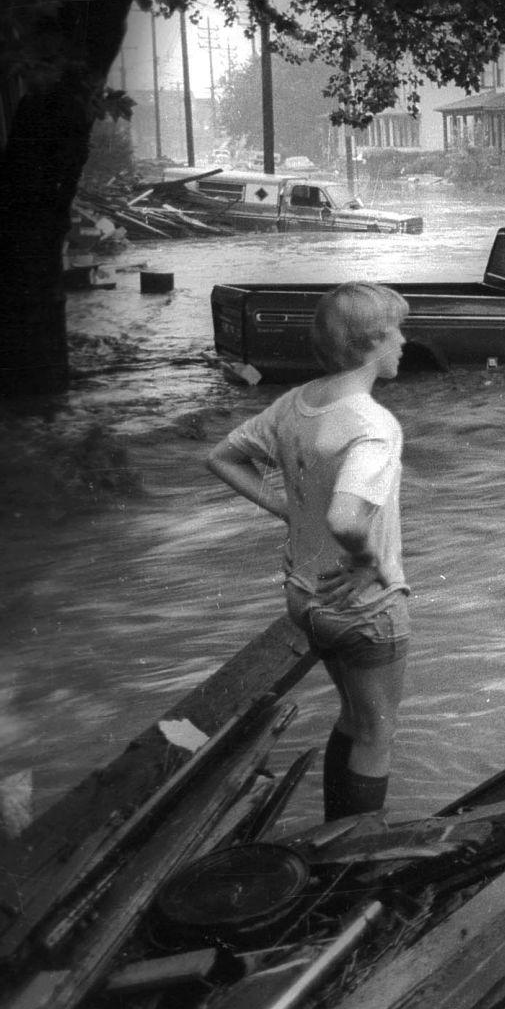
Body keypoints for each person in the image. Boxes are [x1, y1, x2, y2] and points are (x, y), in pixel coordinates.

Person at [207, 282, 412, 821]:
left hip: (305, 599)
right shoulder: (373, 425)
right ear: (371, 341)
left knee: (352, 719)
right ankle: (351, 852)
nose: (404, 342)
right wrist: (366, 560)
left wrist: (287, 510)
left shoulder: (295, 405)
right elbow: (345, 518)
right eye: (397, 331)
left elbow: (222, 458)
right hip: (364, 608)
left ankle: (331, 834)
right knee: (377, 734)